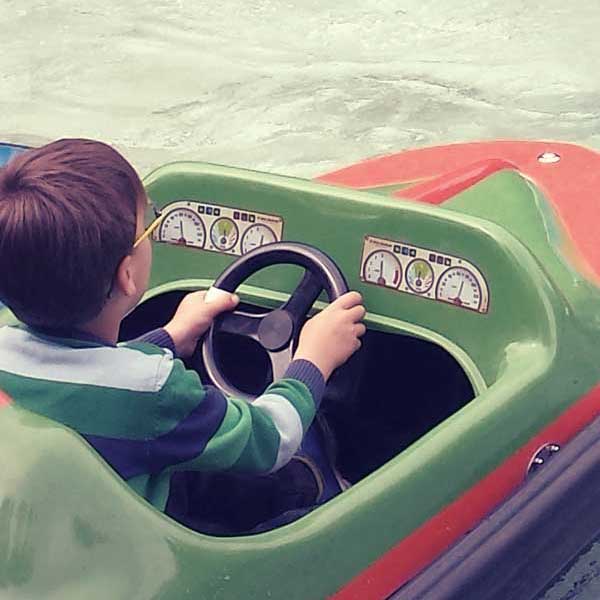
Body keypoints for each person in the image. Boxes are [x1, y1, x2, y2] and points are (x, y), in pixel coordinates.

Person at [0, 138, 365, 532]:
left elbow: (83, 377)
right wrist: (313, 359)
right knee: (306, 506)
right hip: (142, 546)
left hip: (70, 522)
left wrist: (171, 336)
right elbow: (270, 440)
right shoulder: (156, 393)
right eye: (148, 226)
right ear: (127, 275)